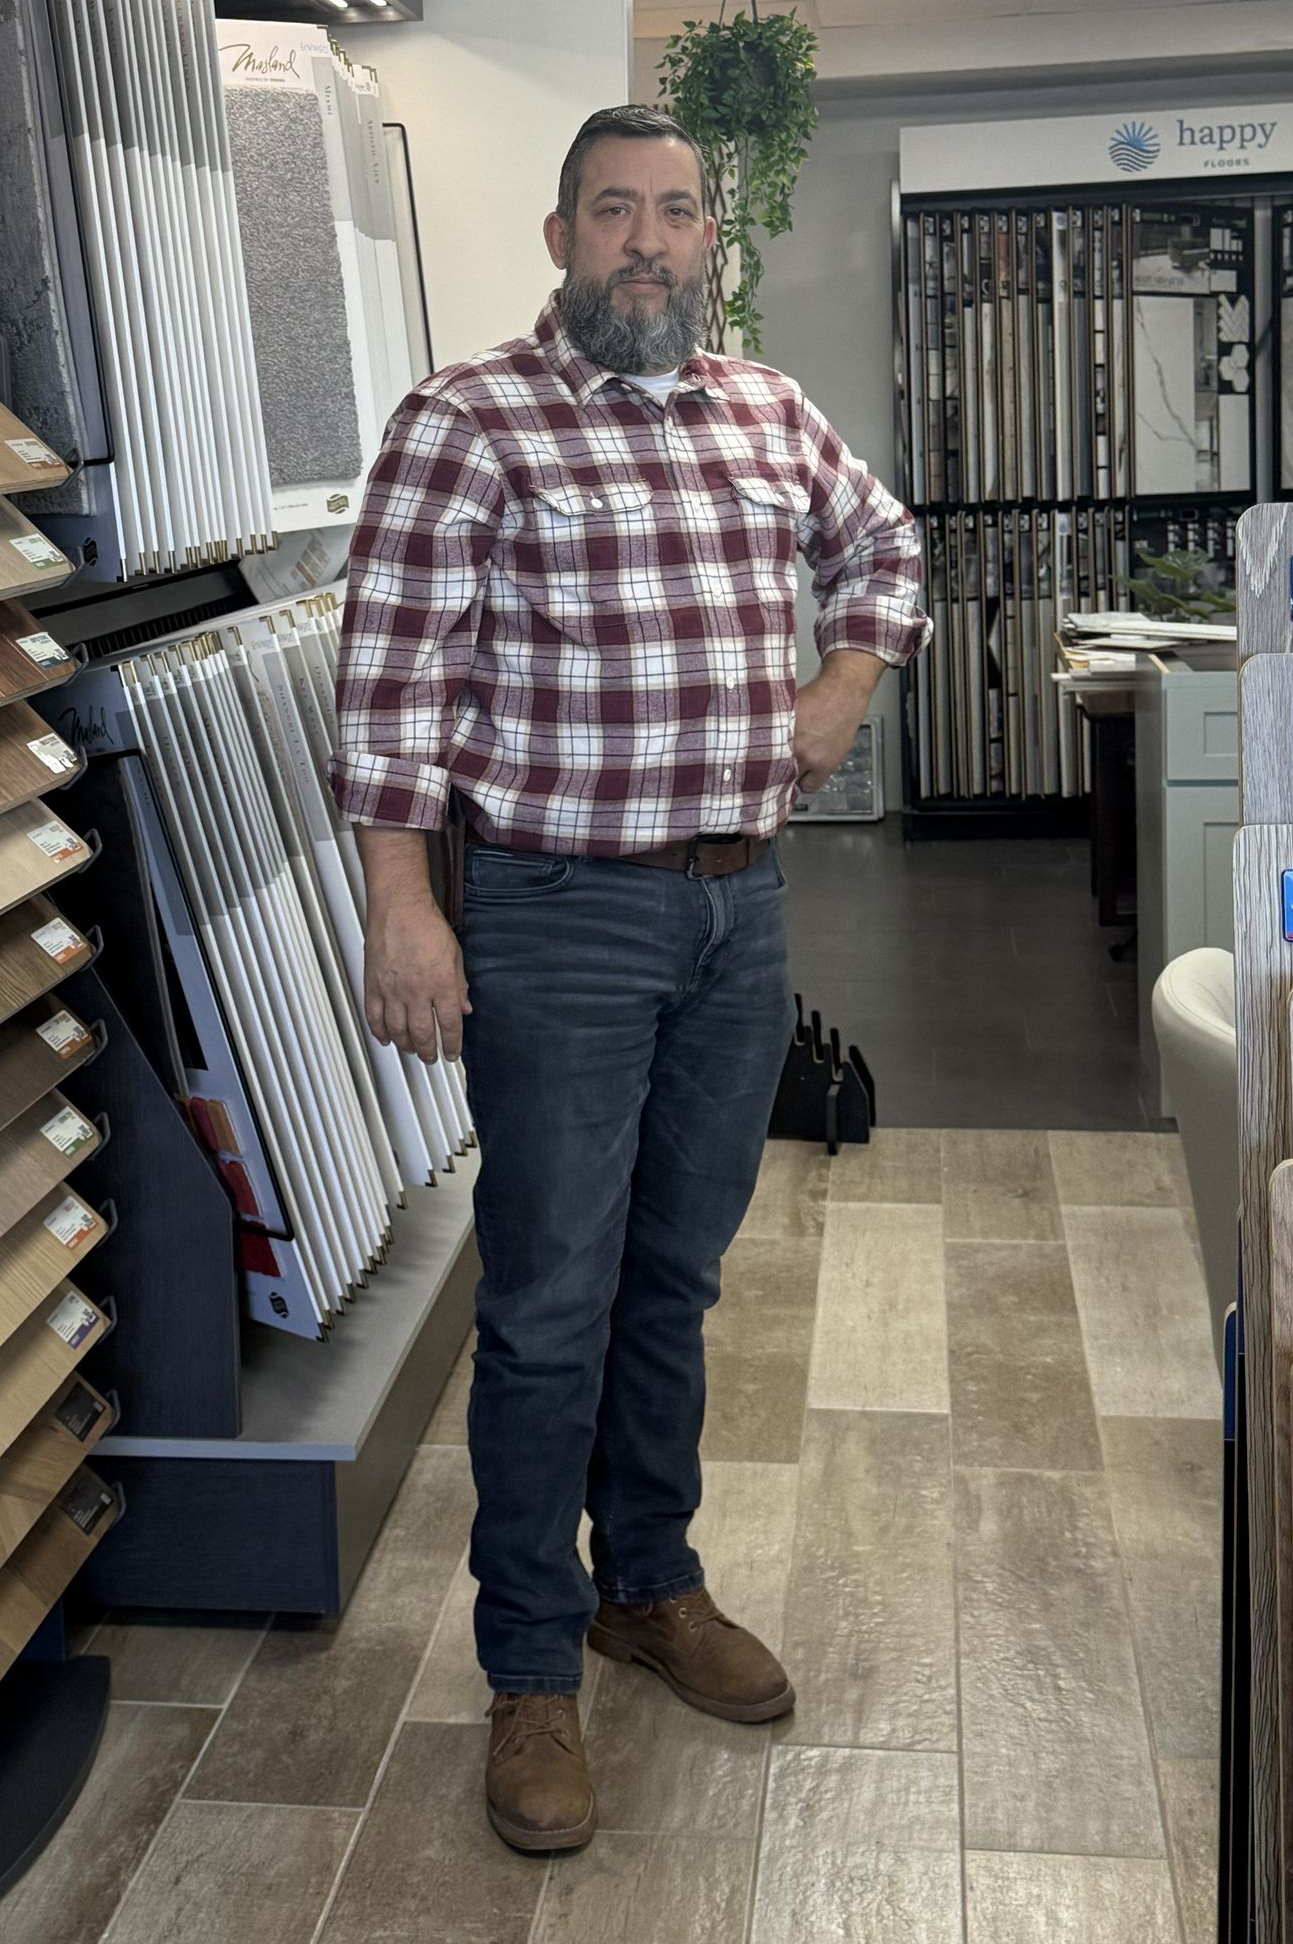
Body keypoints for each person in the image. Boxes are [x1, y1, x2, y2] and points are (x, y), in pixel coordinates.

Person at [328, 103, 930, 1853]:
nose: (649, 241)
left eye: (677, 214)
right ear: (560, 236)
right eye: (617, 212)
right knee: (546, 1307)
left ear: (709, 245)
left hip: (739, 914)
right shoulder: (468, 421)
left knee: (674, 1283)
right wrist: (401, 907)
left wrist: (844, 689)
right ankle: (527, 1666)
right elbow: (388, 685)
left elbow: (883, 548)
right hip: (557, 916)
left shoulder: (764, 408)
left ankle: (644, 1584)